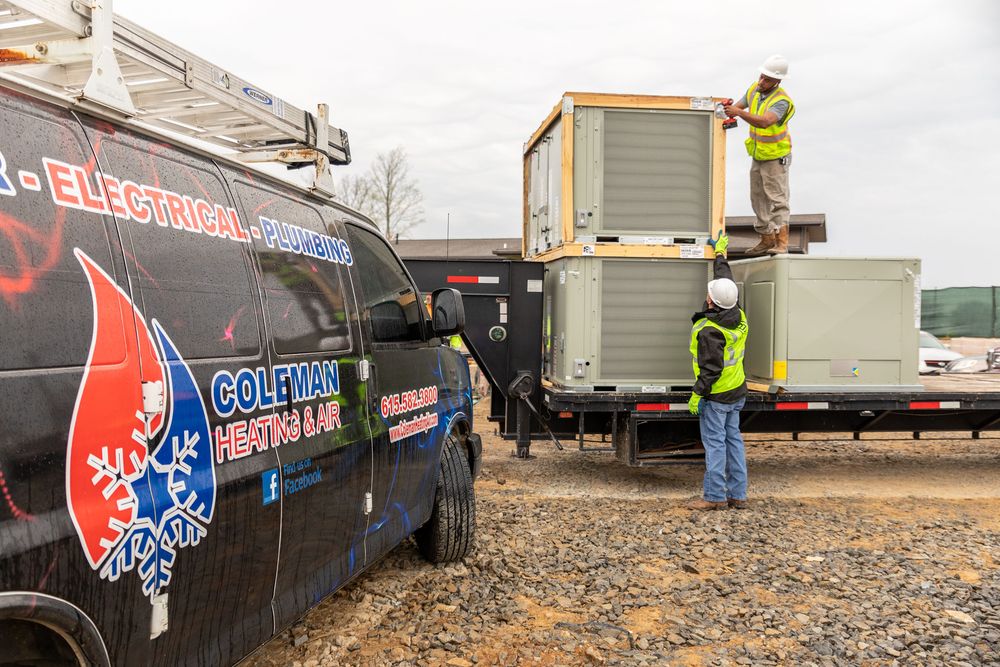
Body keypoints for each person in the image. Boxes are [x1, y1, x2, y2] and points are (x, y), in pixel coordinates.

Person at [686, 232, 749, 510]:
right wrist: (720, 255)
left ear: (710, 302)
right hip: (737, 392)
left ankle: (714, 498)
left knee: (715, 445)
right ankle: (738, 495)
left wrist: (698, 394)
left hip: (717, 396)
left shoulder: (710, 331)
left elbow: (711, 369)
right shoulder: (738, 314)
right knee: (733, 442)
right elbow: (727, 284)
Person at [724, 54, 796, 256]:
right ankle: (766, 238)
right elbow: (738, 107)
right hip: (758, 155)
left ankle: (781, 243)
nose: (762, 81)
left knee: (777, 200)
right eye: (761, 76)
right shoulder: (754, 90)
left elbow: (765, 121)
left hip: (776, 157)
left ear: (778, 81)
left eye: (767, 79)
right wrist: (726, 109)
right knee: (757, 198)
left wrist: (738, 113)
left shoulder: (781, 101)